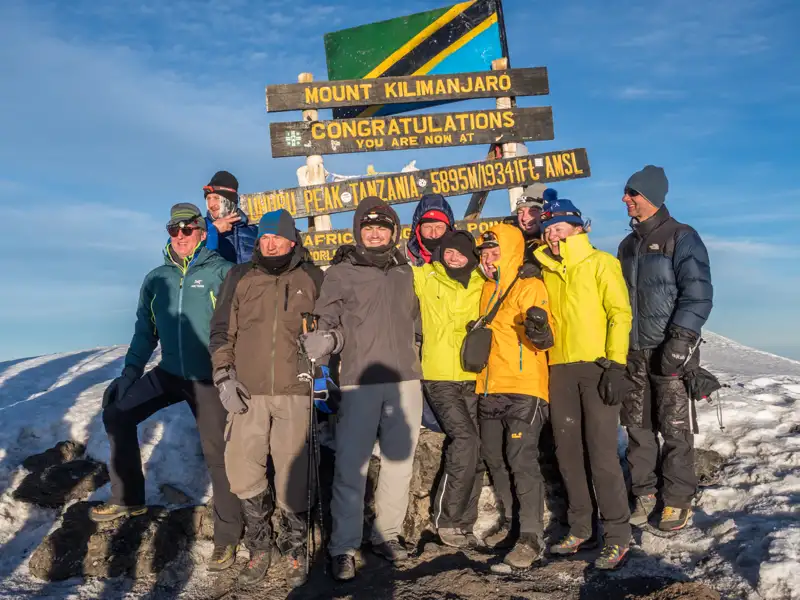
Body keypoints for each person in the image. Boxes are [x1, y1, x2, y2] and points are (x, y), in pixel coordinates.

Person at [92, 203, 243, 572]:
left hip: (208, 378)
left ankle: (228, 535)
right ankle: (128, 497)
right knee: (118, 412)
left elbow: (241, 327)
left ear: (201, 231)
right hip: (170, 372)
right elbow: (145, 332)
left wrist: (234, 373)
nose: (179, 237)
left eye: (186, 230)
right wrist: (129, 374)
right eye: (173, 231)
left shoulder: (222, 272)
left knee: (217, 453)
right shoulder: (156, 278)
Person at [300, 196, 424, 582]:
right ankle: (343, 547)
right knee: (351, 465)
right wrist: (325, 362)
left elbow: (416, 320)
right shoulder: (341, 271)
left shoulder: (405, 272)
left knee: (399, 463)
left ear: (393, 232)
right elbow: (325, 325)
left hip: (405, 378)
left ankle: (387, 535)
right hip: (358, 380)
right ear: (358, 231)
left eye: (382, 227)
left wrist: (416, 348)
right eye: (367, 227)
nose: (374, 233)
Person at [209, 209, 323, 588]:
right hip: (248, 392)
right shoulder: (240, 277)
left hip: (295, 391)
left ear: (293, 240)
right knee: (243, 470)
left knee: (296, 471)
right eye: (265, 238)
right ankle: (260, 545)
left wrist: (326, 362)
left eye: (278, 237)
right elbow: (222, 330)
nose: (270, 243)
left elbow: (329, 330)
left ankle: (293, 547)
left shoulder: (312, 277)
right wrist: (224, 375)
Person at [533, 199, 633, 570]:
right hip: (559, 368)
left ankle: (618, 536)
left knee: (602, 454)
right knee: (568, 453)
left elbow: (620, 314)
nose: (552, 236)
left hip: (597, 367)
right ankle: (580, 529)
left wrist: (615, 365)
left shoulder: (600, 263)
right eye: (547, 231)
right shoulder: (546, 271)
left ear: (577, 228)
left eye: (558, 229)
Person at [618, 166, 713, 532]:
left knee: (675, 429)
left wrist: (681, 341)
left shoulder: (682, 237)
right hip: (633, 351)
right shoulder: (627, 245)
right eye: (627, 193)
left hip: (670, 347)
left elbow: (698, 294)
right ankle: (645, 493)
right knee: (638, 427)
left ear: (652, 197)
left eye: (632, 194)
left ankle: (676, 500)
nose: (626, 199)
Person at [474, 223, 554, 569]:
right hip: (489, 387)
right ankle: (511, 523)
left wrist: (538, 327)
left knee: (520, 459)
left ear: (510, 252)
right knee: (495, 458)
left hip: (524, 386)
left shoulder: (531, 285)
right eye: (485, 253)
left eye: (495, 252)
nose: (489, 259)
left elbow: (543, 337)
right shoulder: (485, 289)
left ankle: (531, 537)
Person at [412, 230, 485, 549]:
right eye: (447, 251)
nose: (452, 257)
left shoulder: (484, 284)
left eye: (459, 253)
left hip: (473, 374)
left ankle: (466, 524)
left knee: (478, 446)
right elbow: (395, 267)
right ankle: (447, 519)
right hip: (439, 374)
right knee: (466, 438)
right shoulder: (427, 277)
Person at [203, 170, 258, 264]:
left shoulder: (254, 231)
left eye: (216, 198)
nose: (211, 204)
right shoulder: (199, 228)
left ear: (230, 200)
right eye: (208, 199)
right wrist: (213, 230)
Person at [505, 183, 557, 270]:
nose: (524, 218)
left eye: (533, 211)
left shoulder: (562, 241)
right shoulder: (514, 244)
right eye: (520, 212)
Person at [405, 193, 455, 266]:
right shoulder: (403, 258)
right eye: (427, 227)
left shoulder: (464, 255)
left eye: (439, 227)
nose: (433, 235)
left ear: (448, 229)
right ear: (418, 229)